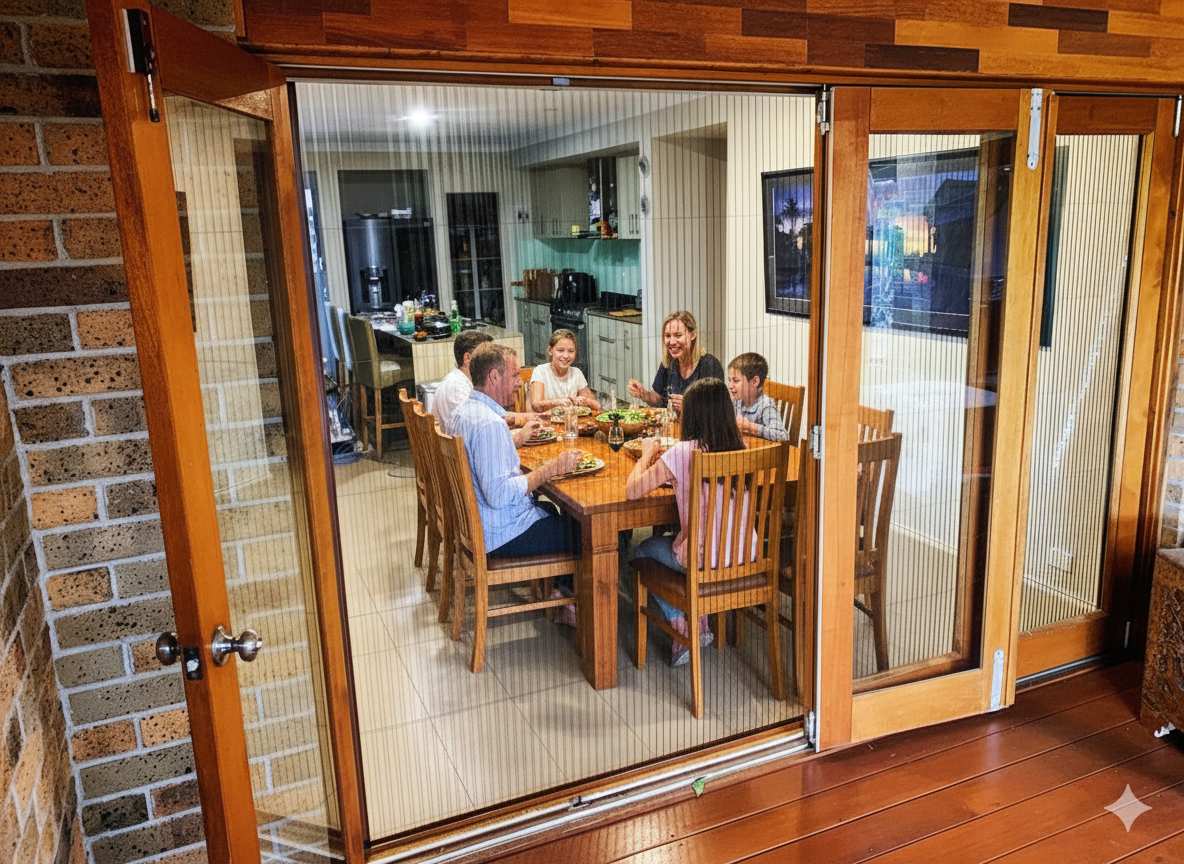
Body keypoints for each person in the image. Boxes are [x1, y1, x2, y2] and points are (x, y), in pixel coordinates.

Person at [625, 377, 752, 666]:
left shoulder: (682, 453)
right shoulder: (740, 447)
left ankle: (682, 624)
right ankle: (702, 618)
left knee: (642, 550)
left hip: (704, 558)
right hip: (743, 553)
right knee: (682, 544)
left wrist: (645, 455)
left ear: (690, 415)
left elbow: (632, 491)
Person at [449, 343, 581, 558]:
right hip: (501, 535)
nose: (520, 383)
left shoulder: (463, 412)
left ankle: (560, 585)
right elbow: (499, 495)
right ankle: (578, 587)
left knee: (551, 511)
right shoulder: (489, 424)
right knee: (590, 533)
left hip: (482, 527)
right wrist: (551, 469)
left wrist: (516, 438)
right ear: (493, 377)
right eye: (514, 376)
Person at [434, 330, 539, 440]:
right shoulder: (455, 387)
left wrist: (528, 417)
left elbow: (497, 415)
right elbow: (480, 426)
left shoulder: (466, 383)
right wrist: (520, 436)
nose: (492, 358)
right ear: (467, 358)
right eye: (484, 352)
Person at [627, 310, 724, 415]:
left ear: (693, 335)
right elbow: (659, 399)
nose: (672, 342)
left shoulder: (709, 365)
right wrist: (644, 394)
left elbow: (717, 411)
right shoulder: (668, 363)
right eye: (668, 336)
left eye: (678, 335)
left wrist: (689, 407)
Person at [529, 328, 601, 412]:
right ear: (550, 350)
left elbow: (597, 406)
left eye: (571, 351)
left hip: (570, 422)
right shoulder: (540, 371)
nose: (566, 356)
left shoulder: (576, 373)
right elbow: (536, 405)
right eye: (560, 350)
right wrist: (558, 402)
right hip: (546, 422)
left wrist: (585, 401)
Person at [726, 352, 789, 441]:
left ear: (755, 381)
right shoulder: (736, 402)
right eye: (729, 380)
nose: (730, 386)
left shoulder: (766, 405)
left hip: (760, 453)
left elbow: (783, 436)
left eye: (736, 381)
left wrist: (750, 427)